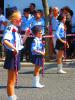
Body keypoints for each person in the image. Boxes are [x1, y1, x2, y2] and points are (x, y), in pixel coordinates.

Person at [2, 10, 29, 100]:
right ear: (14, 20)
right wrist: (13, 48)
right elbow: (5, 41)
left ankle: (12, 95)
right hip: (12, 54)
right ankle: (10, 97)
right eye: (20, 19)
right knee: (11, 79)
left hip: (16, 53)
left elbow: (20, 43)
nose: (21, 21)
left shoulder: (16, 29)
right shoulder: (10, 28)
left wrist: (26, 35)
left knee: (14, 78)